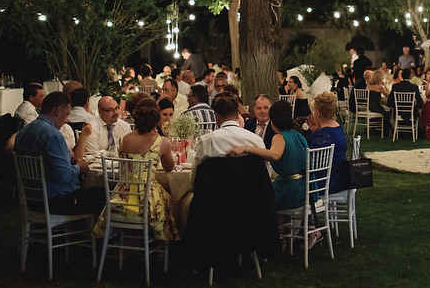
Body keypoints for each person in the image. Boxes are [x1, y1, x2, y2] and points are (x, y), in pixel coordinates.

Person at [93, 98, 179, 241]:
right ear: (156, 119)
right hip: (146, 201)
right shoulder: (162, 142)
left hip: (120, 197)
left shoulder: (123, 139)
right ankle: (161, 246)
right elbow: (169, 168)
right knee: (172, 203)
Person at [14, 92, 104, 216]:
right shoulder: (52, 135)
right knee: (105, 197)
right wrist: (79, 167)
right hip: (57, 201)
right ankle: (91, 234)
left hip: (31, 198)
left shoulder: (23, 132)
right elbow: (65, 175)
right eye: (66, 114)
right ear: (58, 111)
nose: (67, 119)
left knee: (94, 192)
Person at [227, 100, 308, 211]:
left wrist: (246, 149)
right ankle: (281, 228)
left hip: (291, 191)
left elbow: (274, 155)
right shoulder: (297, 134)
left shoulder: (280, 137)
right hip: (305, 188)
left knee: (256, 198)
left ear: (272, 121)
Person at [192, 94, 264, 182]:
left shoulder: (206, 141)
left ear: (216, 117)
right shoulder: (255, 140)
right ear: (238, 115)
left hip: (214, 193)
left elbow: (195, 176)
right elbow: (265, 174)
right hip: (250, 193)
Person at [305, 92, 349, 195]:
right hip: (340, 179)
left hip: (325, 183)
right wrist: (315, 131)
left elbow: (308, 162)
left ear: (318, 114)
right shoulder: (337, 127)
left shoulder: (323, 136)